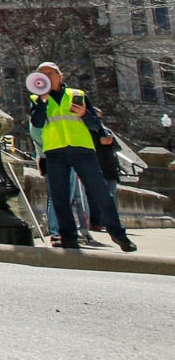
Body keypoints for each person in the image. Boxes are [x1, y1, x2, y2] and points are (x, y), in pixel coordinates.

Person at [26, 62, 135, 252]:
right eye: (41, 74)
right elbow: (37, 122)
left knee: (101, 193)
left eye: (50, 73)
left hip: (82, 150)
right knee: (59, 197)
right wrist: (42, 101)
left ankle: (118, 234)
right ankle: (68, 237)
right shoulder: (37, 98)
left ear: (60, 75)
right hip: (55, 151)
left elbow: (95, 124)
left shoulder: (77, 95)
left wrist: (85, 114)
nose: (46, 77)